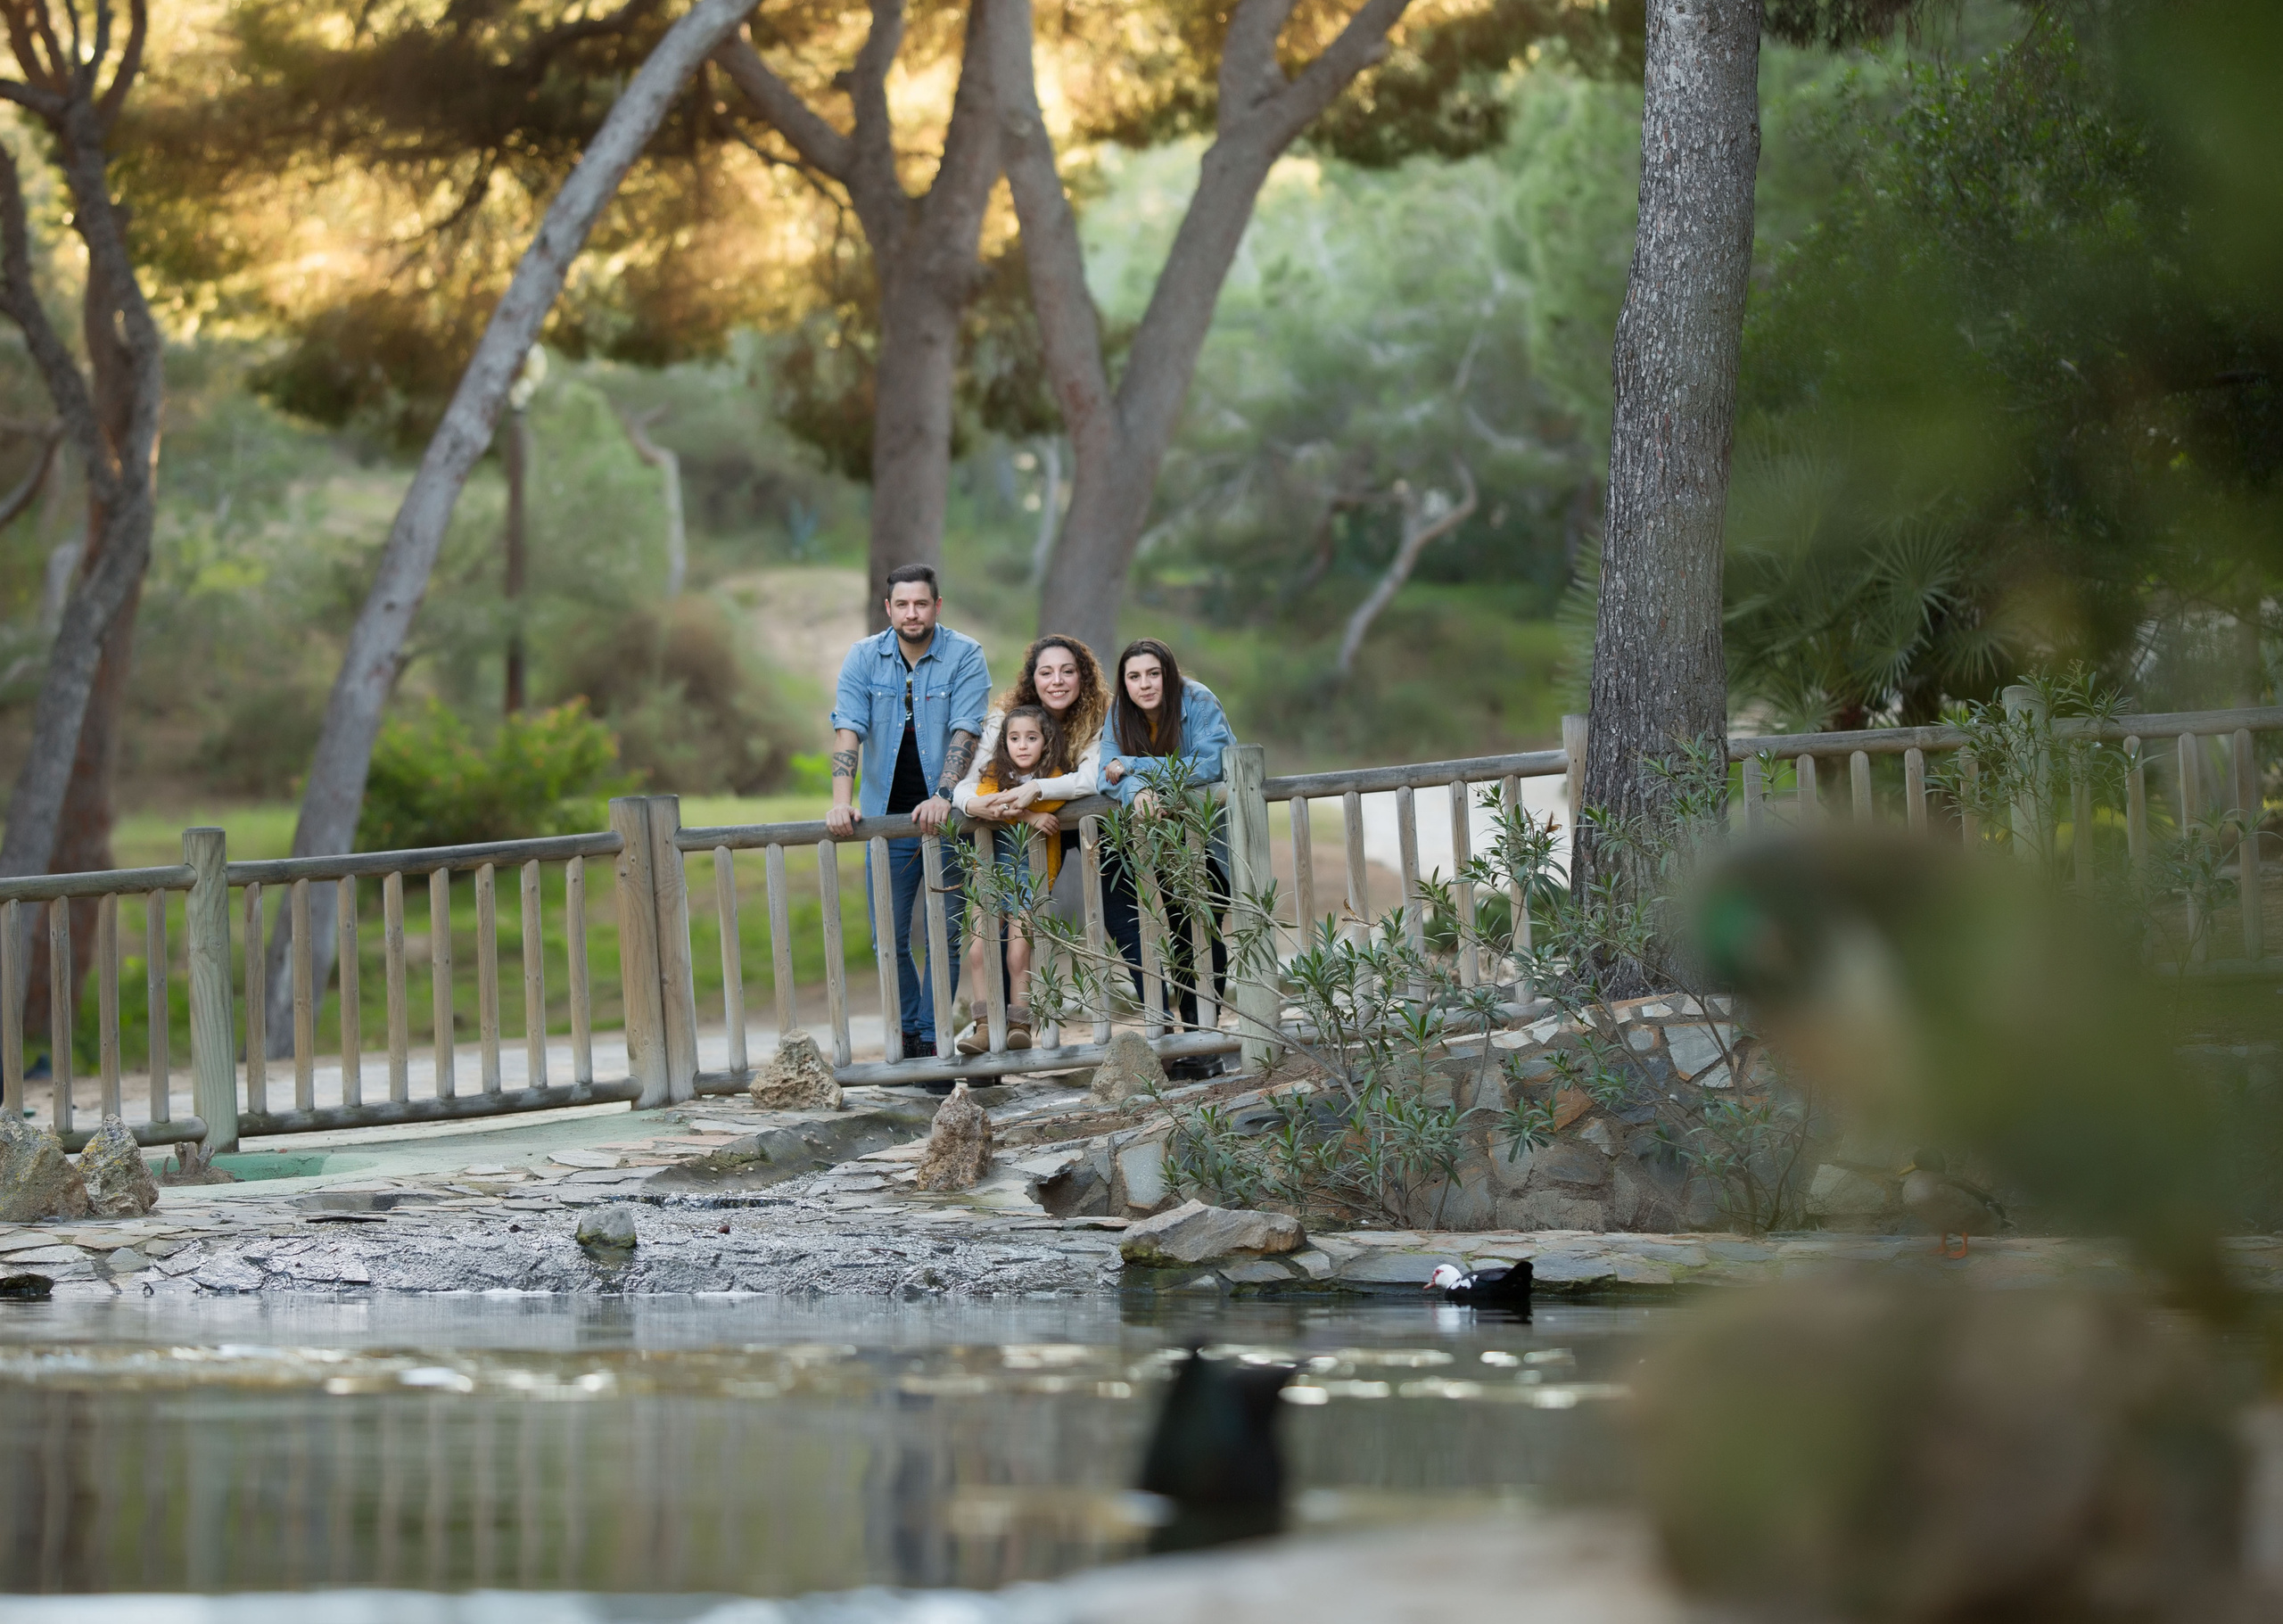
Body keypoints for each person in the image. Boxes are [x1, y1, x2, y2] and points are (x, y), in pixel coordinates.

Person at [827, 564, 992, 1063]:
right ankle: (911, 1035)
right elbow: (848, 729)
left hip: (947, 822)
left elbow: (966, 730)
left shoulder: (965, 654)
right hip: (885, 823)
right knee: (887, 938)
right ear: (888, 608)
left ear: (936, 606)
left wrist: (943, 794)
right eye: (902, 604)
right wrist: (841, 801)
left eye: (921, 603)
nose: (912, 613)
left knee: (944, 936)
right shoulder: (863, 657)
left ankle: (930, 1037)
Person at [1099, 638, 1235, 1080]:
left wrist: (1137, 768)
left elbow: (1212, 763)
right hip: (1164, 838)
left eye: (1153, 674)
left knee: (1202, 927)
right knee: (1179, 931)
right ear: (1124, 682)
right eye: (1134, 676)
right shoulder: (1119, 713)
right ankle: (1193, 1041)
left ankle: (1204, 1038)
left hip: (1210, 835)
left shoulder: (1198, 700)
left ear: (1168, 674)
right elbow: (1106, 772)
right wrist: (1136, 790)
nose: (1145, 685)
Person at [952, 705, 1068, 1055]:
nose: (1022, 745)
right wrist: (1028, 815)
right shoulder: (994, 772)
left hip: (1029, 878)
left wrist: (1020, 806)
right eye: (1014, 738)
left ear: (1046, 742)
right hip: (989, 874)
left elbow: (1056, 799)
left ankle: (1020, 1024)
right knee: (978, 950)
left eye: (1031, 738)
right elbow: (985, 799)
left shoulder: (1053, 776)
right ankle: (984, 1026)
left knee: (1018, 952)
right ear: (1004, 743)